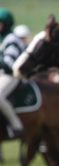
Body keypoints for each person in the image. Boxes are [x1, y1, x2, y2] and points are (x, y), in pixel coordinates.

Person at [0, 9, 28, 138]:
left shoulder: (11, 39)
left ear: (6, 24)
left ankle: (16, 125)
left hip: (12, 76)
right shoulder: (2, 38)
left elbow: (9, 65)